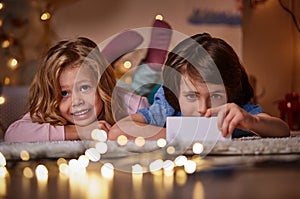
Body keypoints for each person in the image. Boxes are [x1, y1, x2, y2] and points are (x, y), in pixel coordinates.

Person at [108, 33, 290, 140]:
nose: (203, 109)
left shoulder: (236, 111)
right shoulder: (167, 106)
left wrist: (253, 121)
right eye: (191, 96)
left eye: (216, 96)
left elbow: (282, 130)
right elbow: (117, 131)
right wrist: (182, 135)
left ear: (229, 92)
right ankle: (151, 60)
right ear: (175, 93)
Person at [5, 37, 149, 142]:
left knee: (147, 85)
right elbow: (13, 134)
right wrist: (81, 131)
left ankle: (147, 62)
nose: (77, 101)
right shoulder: (51, 110)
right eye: (64, 93)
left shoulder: (132, 104)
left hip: (120, 92)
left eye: (85, 88)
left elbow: (158, 133)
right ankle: (107, 59)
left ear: (100, 86)